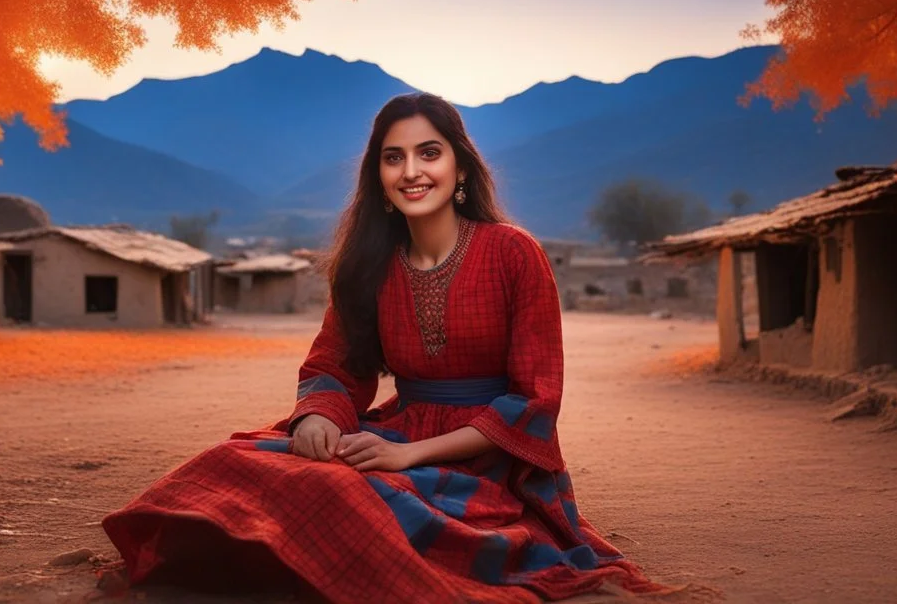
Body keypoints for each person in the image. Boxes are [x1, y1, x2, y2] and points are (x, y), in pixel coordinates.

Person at [101, 93, 665, 603]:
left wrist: (409, 455)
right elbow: (334, 365)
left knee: (357, 499)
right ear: (379, 176)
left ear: (460, 166)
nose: (411, 171)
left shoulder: (514, 253)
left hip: (491, 457)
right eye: (393, 158)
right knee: (234, 463)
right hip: (395, 429)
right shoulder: (368, 266)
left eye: (429, 153)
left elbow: (536, 399)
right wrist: (316, 420)